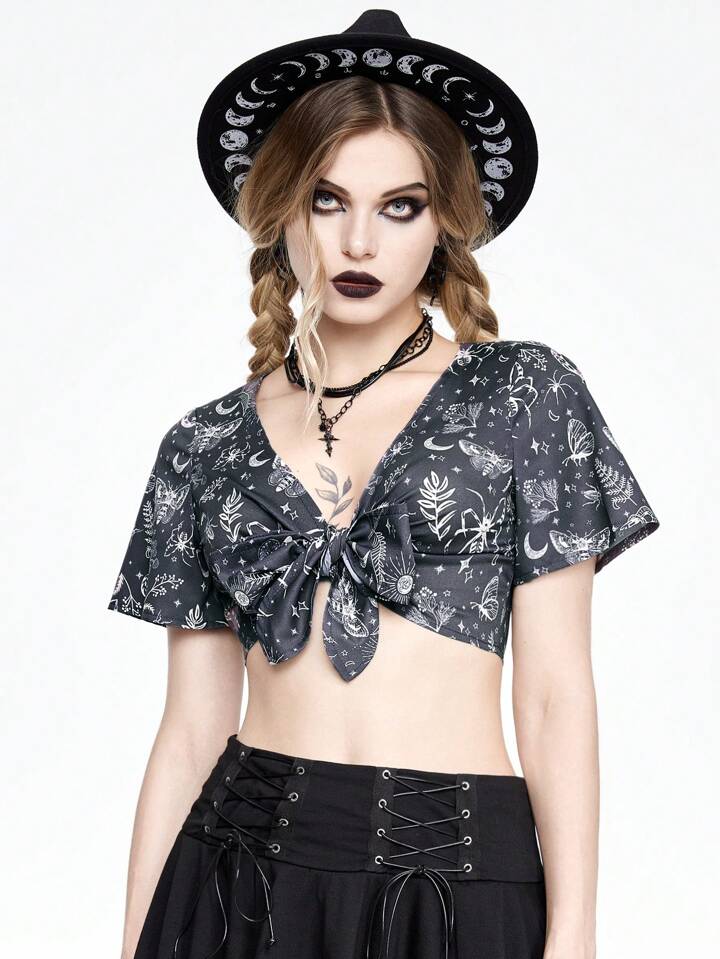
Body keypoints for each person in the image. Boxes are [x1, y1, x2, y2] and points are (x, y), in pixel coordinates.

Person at [108, 10, 660, 959]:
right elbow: (191, 729)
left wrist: (574, 933)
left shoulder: (524, 395)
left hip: (455, 882)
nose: (358, 241)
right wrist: (134, 943)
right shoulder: (204, 443)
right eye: (327, 200)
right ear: (280, 208)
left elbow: (555, 695)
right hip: (235, 881)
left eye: (400, 206)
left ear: (444, 222)